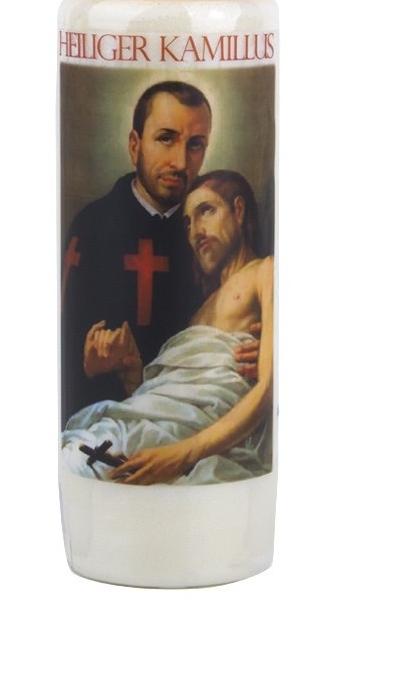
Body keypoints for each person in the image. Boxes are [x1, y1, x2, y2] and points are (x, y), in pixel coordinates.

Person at [61, 170, 274, 485]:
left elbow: (269, 388)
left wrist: (180, 455)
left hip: (200, 438)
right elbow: (174, 396)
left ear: (238, 210)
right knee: (80, 458)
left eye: (206, 211)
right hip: (169, 427)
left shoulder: (266, 271)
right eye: (187, 222)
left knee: (90, 463)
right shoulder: (199, 310)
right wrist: (133, 371)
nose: (196, 230)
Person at [60, 81, 213, 423]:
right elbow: (61, 354)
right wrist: (88, 364)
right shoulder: (91, 226)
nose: (180, 162)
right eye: (166, 138)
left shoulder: (211, 234)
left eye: (195, 145)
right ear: (135, 145)